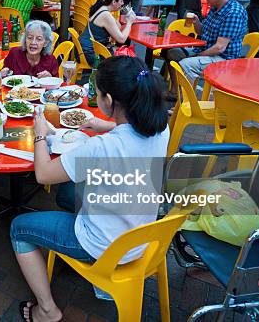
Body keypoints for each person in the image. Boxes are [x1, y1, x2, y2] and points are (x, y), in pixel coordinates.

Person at [11, 56, 169, 321]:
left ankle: (47, 310)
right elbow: (128, 132)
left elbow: (42, 175)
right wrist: (103, 125)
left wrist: (39, 133)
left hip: (104, 246)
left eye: (97, 93)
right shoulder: (160, 128)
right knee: (67, 194)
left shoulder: (101, 148)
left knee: (18, 228)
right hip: (142, 236)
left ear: (108, 100)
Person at [163, 0, 247, 91]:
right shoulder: (215, 7)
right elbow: (201, 32)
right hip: (206, 50)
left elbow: (219, 48)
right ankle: (174, 92)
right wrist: (197, 22)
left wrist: (197, 56)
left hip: (223, 58)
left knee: (185, 65)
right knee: (170, 52)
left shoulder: (233, 13)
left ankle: (184, 103)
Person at [78, 0, 135, 66]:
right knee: (126, 62)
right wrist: (129, 23)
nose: (122, 4)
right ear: (114, 2)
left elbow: (118, 26)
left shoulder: (102, 8)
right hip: (90, 54)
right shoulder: (105, 15)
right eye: (121, 1)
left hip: (85, 49)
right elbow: (121, 39)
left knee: (122, 56)